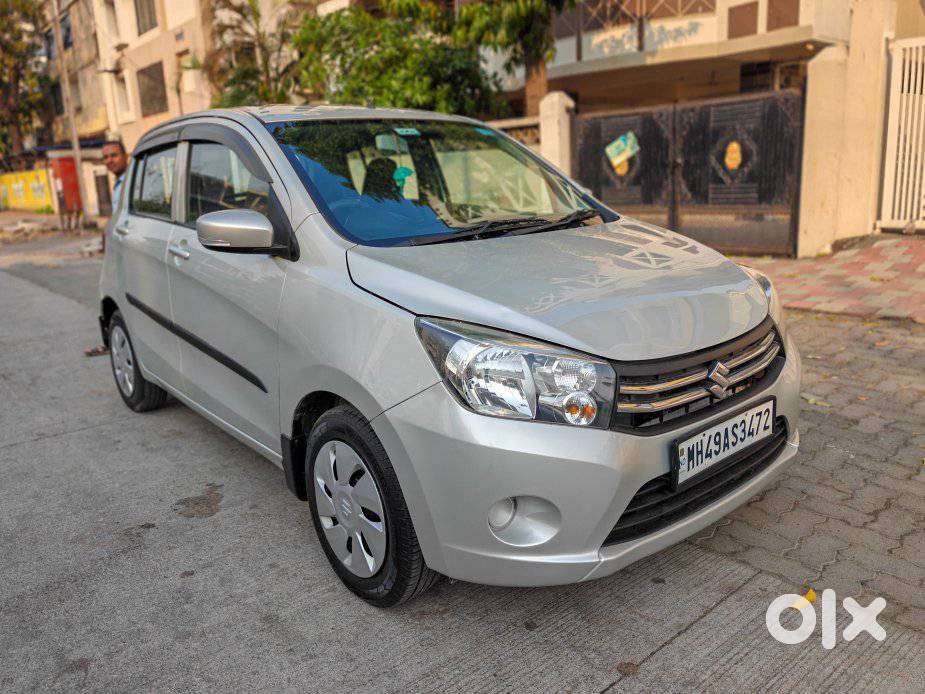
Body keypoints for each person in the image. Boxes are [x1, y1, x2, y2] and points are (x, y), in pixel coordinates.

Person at [85, 140, 129, 358]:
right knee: (110, 293)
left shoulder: (131, 181)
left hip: (128, 250)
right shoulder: (118, 183)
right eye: (106, 157)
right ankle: (112, 339)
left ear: (126, 156)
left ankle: (117, 340)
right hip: (117, 249)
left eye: (114, 155)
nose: (109, 160)